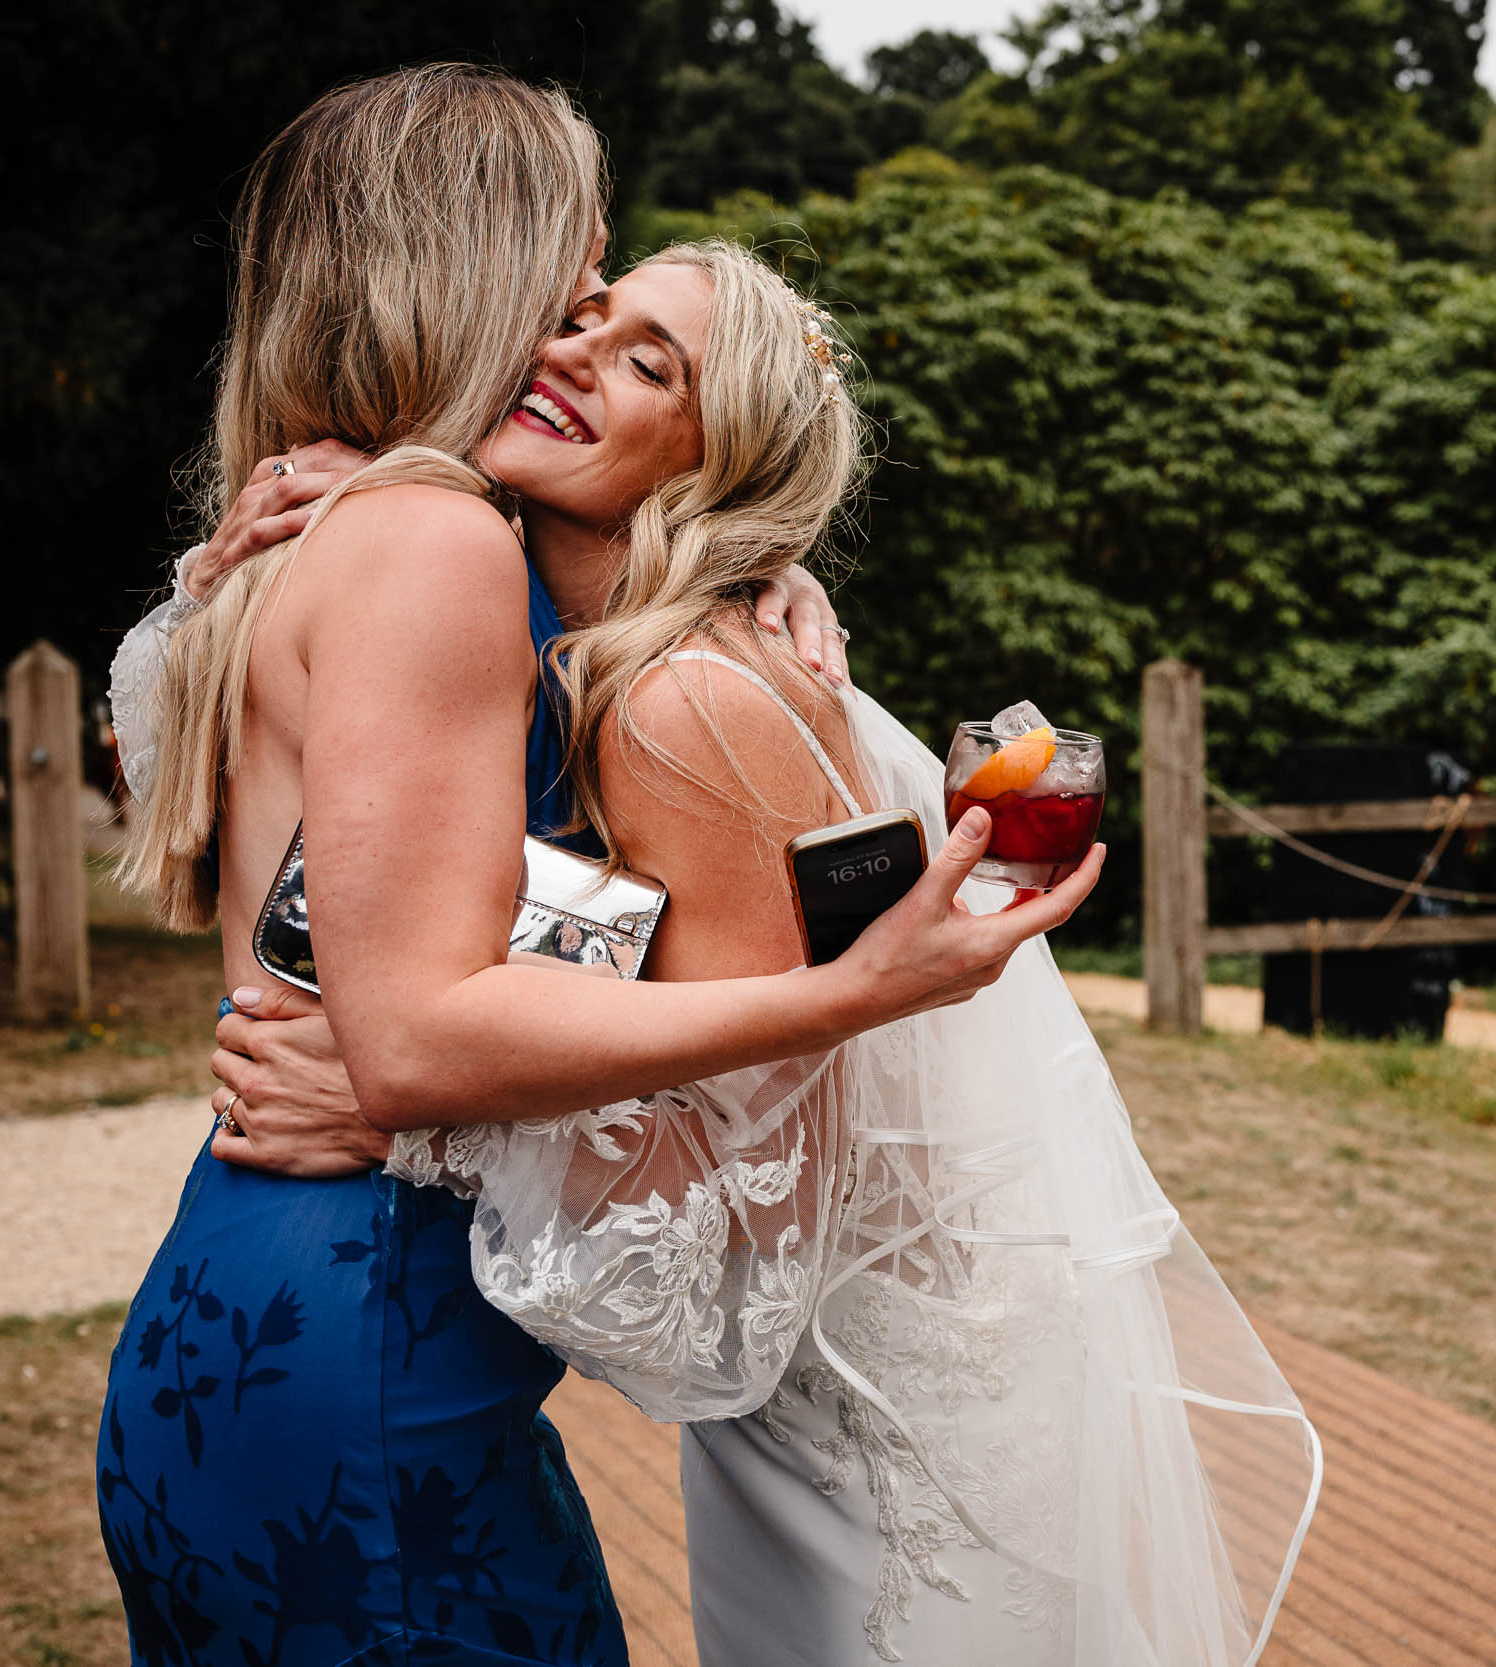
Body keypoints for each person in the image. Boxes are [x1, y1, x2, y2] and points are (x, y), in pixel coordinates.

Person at [200, 237, 1320, 1667]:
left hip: (877, 1449)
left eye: (647, 362)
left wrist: (406, 1103)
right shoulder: (587, 651)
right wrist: (230, 572)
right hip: (803, 1425)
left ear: (709, 464)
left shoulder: (679, 710)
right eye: (584, 321)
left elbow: (752, 1224)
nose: (568, 356)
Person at [99, 69, 1094, 1667]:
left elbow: (369, 993)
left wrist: (758, 566)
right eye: (579, 277)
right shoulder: (425, 547)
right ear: (468, 265)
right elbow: (415, 1031)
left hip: (223, 1336)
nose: (578, 308)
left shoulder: (400, 550)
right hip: (361, 1380)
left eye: (635, 336)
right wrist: (840, 996)